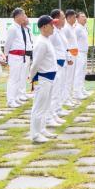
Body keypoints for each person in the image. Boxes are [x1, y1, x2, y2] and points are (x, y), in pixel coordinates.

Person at [29, 15, 58, 143]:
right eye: (52, 25)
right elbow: (36, 63)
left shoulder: (46, 40)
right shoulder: (41, 42)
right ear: (44, 27)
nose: (54, 27)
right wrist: (31, 77)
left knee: (45, 106)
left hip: (49, 78)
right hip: (43, 78)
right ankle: (35, 134)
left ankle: (42, 129)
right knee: (39, 107)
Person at [4, 8, 31, 108]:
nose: (24, 17)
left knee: (19, 78)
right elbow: (8, 43)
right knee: (13, 78)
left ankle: (15, 97)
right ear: (18, 16)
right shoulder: (12, 28)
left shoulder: (20, 27)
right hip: (14, 56)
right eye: (23, 15)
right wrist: (5, 55)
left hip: (21, 56)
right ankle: (10, 100)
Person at [49, 9, 70, 125]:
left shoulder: (60, 31)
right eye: (62, 18)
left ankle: (56, 110)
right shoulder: (52, 32)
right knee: (54, 90)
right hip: (55, 63)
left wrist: (68, 57)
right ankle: (51, 114)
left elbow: (64, 47)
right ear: (56, 19)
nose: (64, 20)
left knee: (59, 88)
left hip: (62, 63)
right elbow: (50, 49)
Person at [62, 9, 79, 106]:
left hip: (75, 54)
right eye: (73, 17)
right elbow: (65, 44)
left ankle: (69, 97)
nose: (75, 19)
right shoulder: (66, 28)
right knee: (68, 78)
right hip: (70, 54)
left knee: (71, 78)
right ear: (68, 18)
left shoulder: (72, 28)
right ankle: (66, 98)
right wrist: (68, 56)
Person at [73, 11, 89, 100]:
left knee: (83, 72)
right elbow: (73, 40)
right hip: (79, 53)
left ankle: (82, 89)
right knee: (78, 73)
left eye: (85, 16)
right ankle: (76, 92)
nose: (84, 18)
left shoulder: (84, 27)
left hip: (84, 52)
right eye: (82, 16)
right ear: (77, 18)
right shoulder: (77, 28)